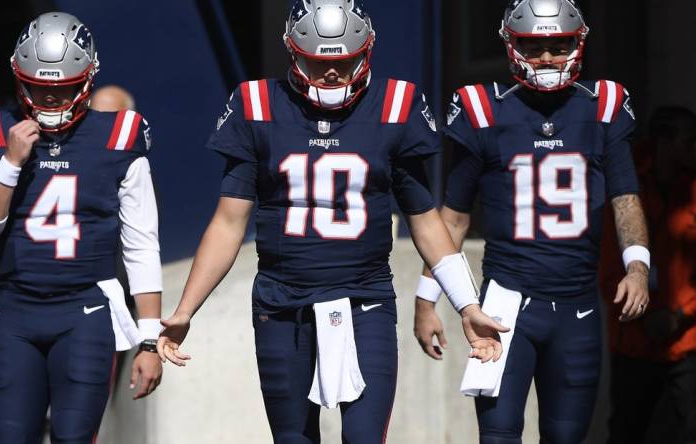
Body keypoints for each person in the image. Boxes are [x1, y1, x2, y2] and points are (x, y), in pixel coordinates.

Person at [157, 1, 507, 442]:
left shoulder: (395, 104)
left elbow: (424, 219)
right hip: (283, 305)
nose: (331, 75)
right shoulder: (257, 105)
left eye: (343, 63)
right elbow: (228, 222)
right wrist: (186, 309)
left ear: (366, 52)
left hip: (365, 301)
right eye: (317, 62)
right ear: (292, 52)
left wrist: (466, 305)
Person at [413, 1, 650, 442]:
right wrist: (427, 300)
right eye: (534, 46)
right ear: (511, 45)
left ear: (577, 45)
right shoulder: (482, 109)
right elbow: (455, 216)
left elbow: (625, 196)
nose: (545, 58)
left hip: (577, 306)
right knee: (498, 436)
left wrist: (637, 267)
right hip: (506, 304)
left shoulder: (604, 106)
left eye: (557, 46)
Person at [0, 12, 163, 443]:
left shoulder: (119, 134)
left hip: (85, 311)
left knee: (73, 437)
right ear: (19, 77)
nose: (50, 100)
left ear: (87, 78)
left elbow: (141, 243)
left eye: (62, 88)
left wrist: (149, 339)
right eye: (39, 87)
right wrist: (11, 163)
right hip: (14, 311)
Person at [600, 106, 696, 444]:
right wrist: (645, 315)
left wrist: (681, 314)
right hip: (633, 341)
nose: (694, 148)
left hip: (686, 338)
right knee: (627, 429)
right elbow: (609, 263)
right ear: (663, 142)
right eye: (689, 140)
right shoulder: (627, 187)